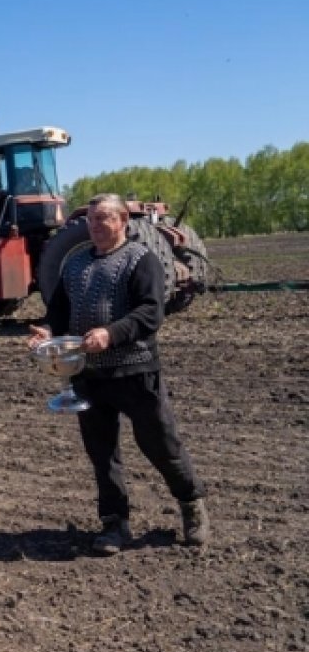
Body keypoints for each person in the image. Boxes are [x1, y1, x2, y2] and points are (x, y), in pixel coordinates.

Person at [28, 194, 209, 555]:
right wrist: (50, 336)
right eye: (92, 219)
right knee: (102, 453)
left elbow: (150, 313)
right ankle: (115, 524)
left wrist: (111, 333)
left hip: (135, 370)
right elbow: (60, 312)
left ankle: (191, 505)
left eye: (104, 219)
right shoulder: (75, 264)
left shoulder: (141, 260)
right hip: (87, 374)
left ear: (123, 221)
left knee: (161, 444)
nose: (96, 226)